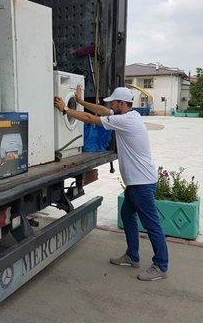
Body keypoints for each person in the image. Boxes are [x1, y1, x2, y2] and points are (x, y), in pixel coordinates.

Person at [53, 86, 169, 281]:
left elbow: (92, 119)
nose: (110, 105)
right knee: (127, 214)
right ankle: (132, 256)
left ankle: (160, 265)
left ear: (122, 104)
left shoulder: (124, 121)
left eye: (113, 102)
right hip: (137, 183)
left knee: (152, 225)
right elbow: (101, 111)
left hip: (142, 183)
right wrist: (80, 103)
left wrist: (66, 110)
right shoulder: (130, 116)